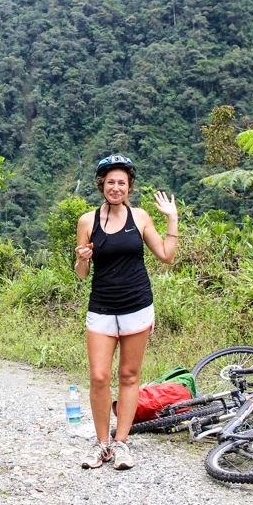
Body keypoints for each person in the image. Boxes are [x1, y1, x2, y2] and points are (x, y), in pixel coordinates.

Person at [73, 154, 178, 470]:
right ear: (101, 185)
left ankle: (121, 444)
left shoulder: (141, 218)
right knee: (99, 376)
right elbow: (81, 273)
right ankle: (101, 443)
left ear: (129, 186)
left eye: (121, 182)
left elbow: (166, 256)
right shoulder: (87, 221)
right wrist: (82, 258)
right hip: (102, 307)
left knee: (129, 376)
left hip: (137, 306)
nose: (115, 187)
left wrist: (172, 218)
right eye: (110, 182)